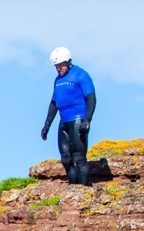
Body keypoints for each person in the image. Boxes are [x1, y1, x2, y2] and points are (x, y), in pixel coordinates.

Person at [41, 46, 96, 186]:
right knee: (65, 158)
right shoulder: (57, 80)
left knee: (79, 157)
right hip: (64, 121)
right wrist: (47, 125)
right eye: (56, 66)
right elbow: (54, 103)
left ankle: (83, 188)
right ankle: (73, 186)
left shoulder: (81, 75)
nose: (58, 68)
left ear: (68, 61)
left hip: (78, 119)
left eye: (60, 65)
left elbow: (91, 98)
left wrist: (88, 119)